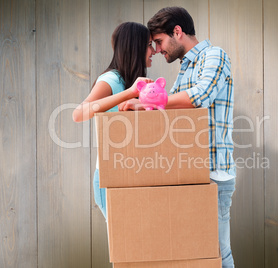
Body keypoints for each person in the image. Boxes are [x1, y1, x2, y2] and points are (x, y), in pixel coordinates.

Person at [119, 7, 236, 268]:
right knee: (193, 254)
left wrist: (149, 102)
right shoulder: (185, 69)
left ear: (178, 32)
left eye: (159, 42)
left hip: (213, 174)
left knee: (217, 252)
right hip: (189, 172)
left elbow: (200, 97)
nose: (158, 50)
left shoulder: (214, 56)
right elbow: (170, 114)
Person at [72, 22, 155, 218]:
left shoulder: (132, 79)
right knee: (125, 245)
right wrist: (129, 93)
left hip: (131, 175)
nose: (154, 50)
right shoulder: (112, 79)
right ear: (136, 47)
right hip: (111, 178)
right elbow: (78, 114)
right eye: (150, 45)